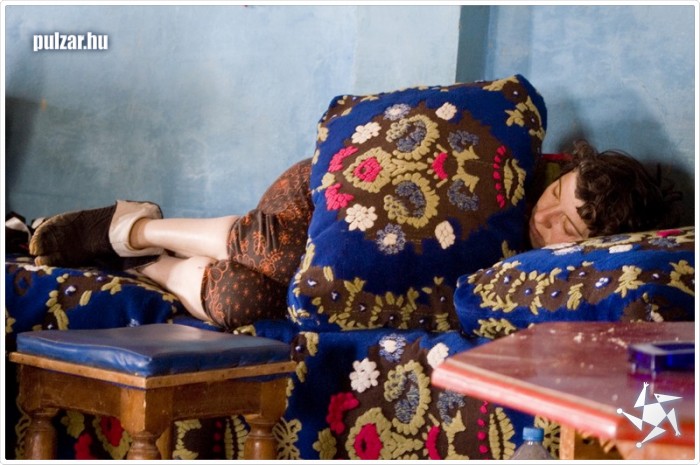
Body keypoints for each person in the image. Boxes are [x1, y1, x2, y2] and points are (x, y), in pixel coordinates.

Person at [28, 140, 679, 330]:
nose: (548, 216)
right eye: (557, 197)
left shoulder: (545, 276)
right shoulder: (515, 166)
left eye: (568, 226)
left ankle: (148, 264)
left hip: (334, 274)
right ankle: (133, 226)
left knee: (243, 302)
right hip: (327, 197)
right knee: (282, 247)